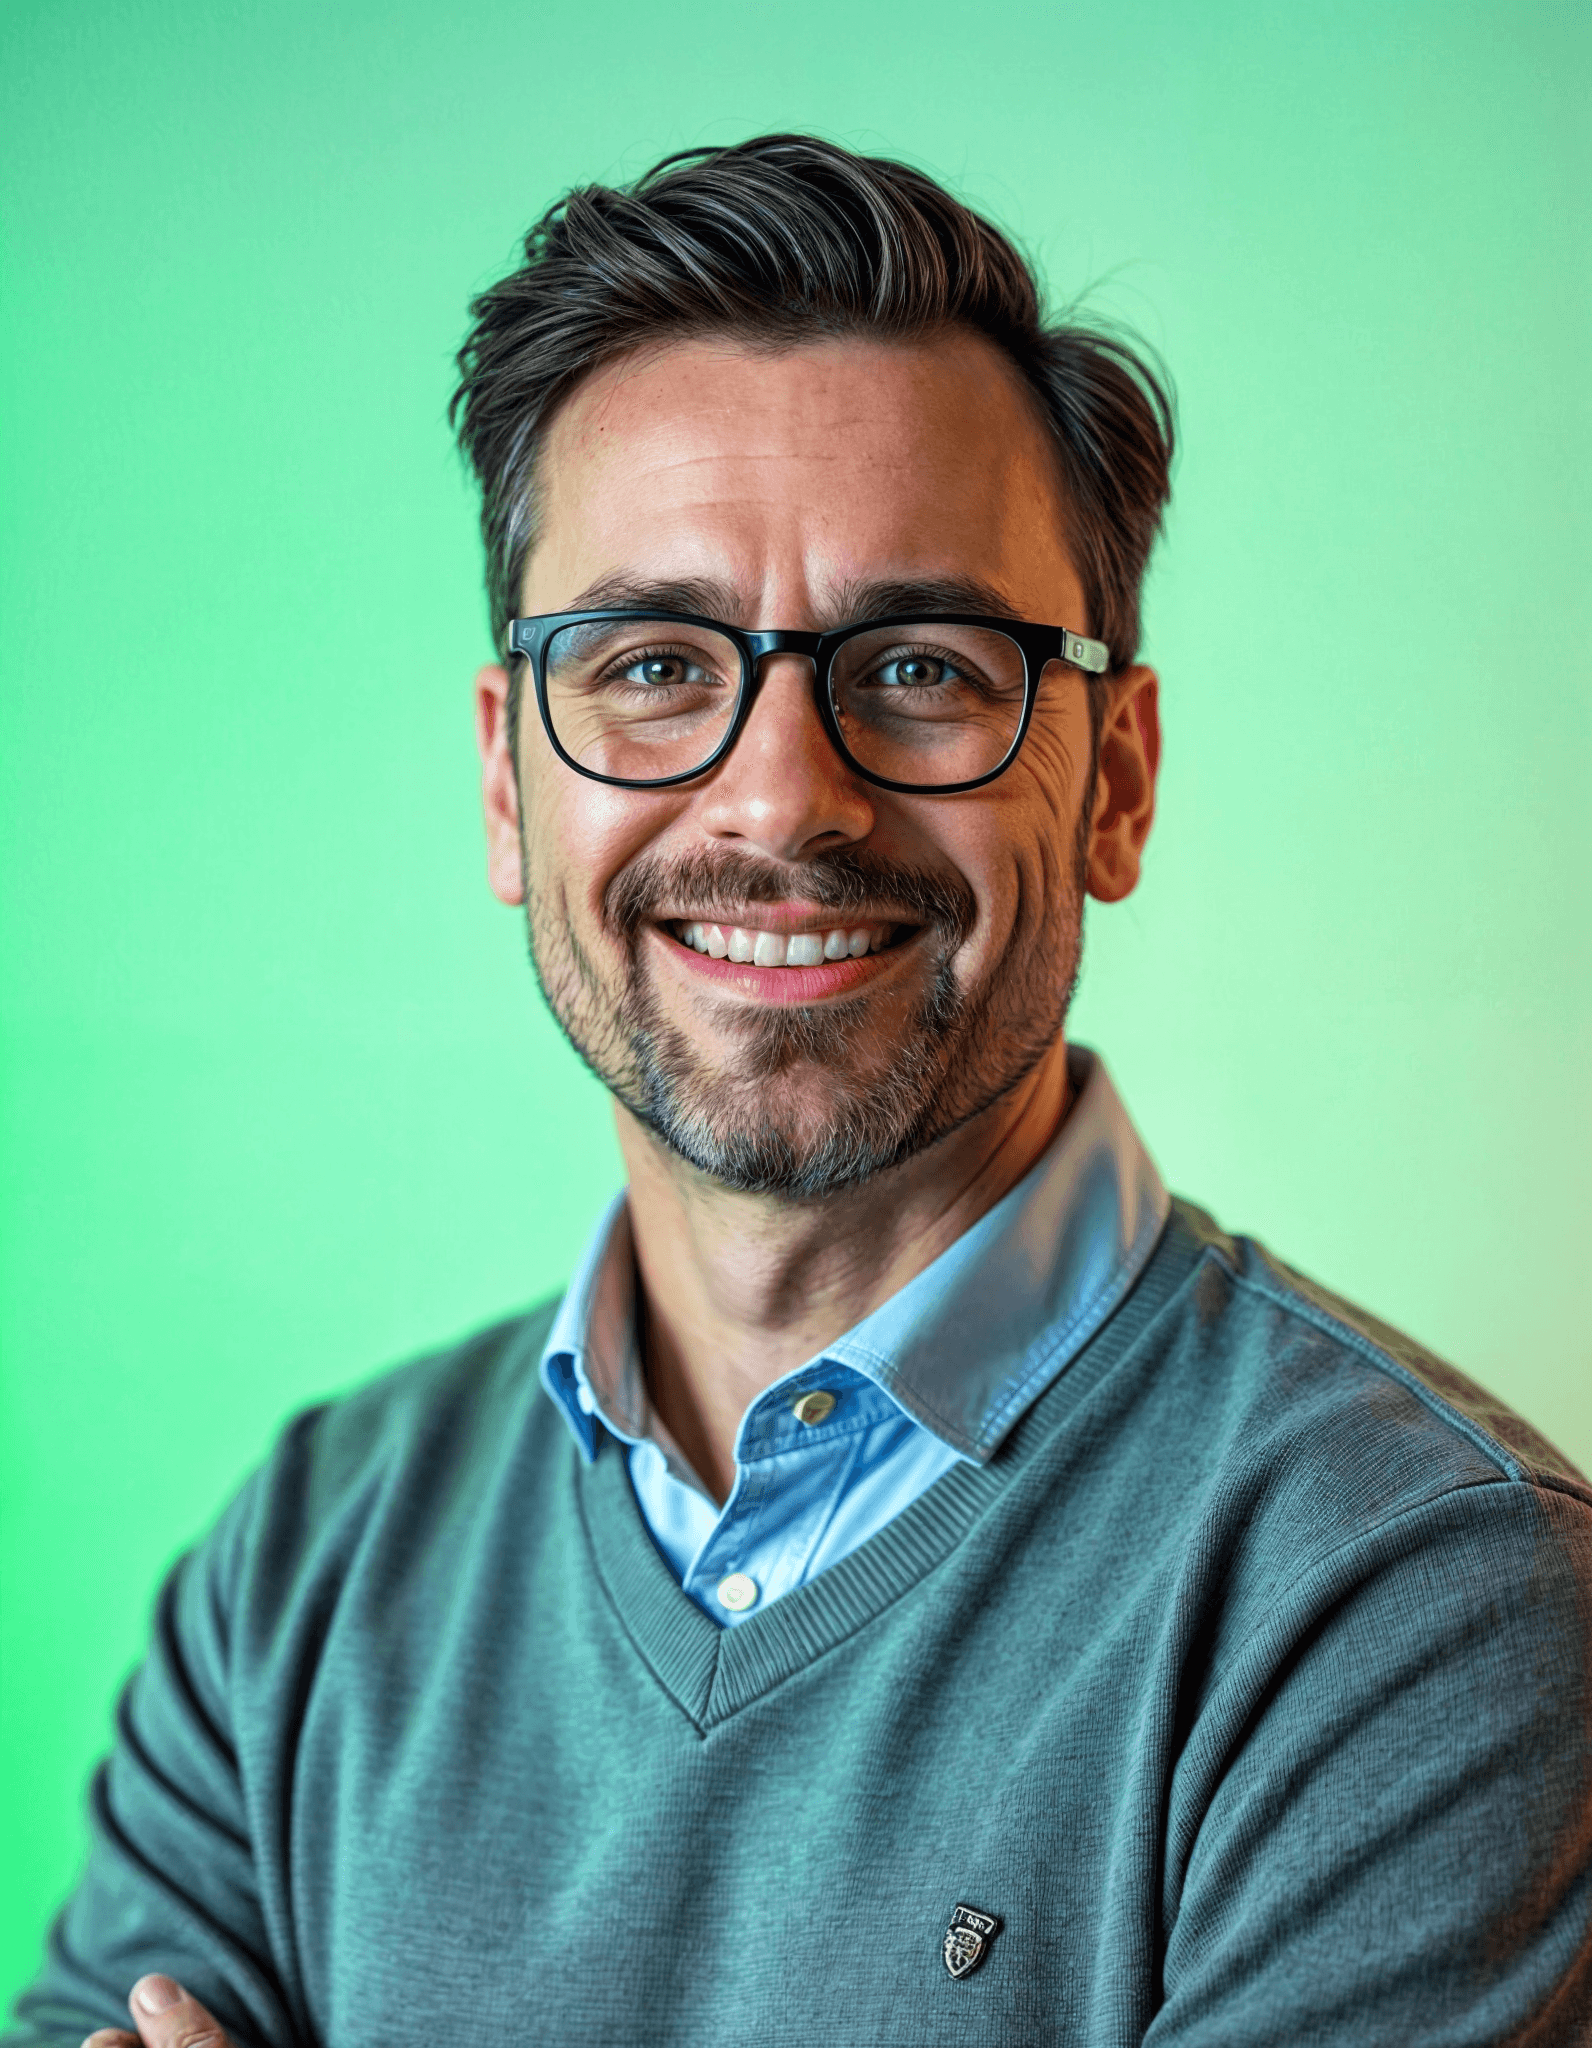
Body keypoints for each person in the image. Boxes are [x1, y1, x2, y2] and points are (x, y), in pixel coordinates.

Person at [11, 134, 1591, 2048]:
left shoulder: (1425, 1595)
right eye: (657, 663)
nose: (779, 799)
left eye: (923, 665)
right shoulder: (306, 1569)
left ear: (1114, 780)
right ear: (512, 782)